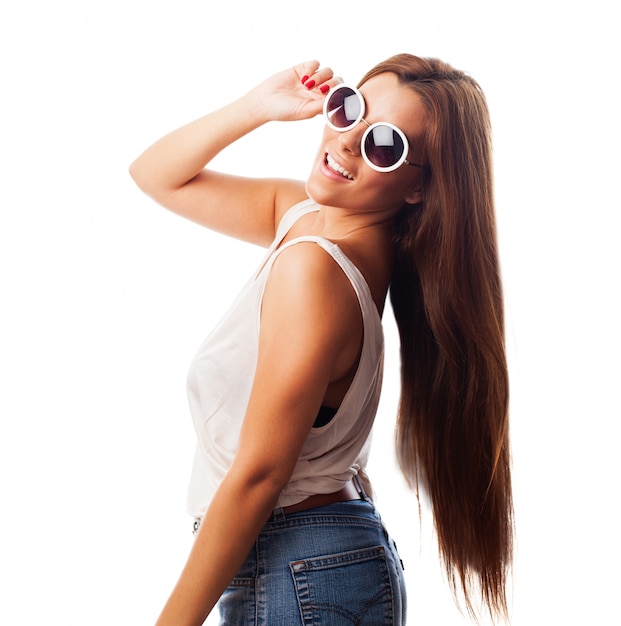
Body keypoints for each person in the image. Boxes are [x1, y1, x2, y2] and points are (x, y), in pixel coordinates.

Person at [129, 53, 513, 625]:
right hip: (311, 565)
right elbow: (156, 174)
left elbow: (260, 475)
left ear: (419, 188)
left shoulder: (318, 271)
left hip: (298, 568)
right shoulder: (304, 217)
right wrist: (258, 106)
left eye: (386, 144)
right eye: (349, 108)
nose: (349, 140)